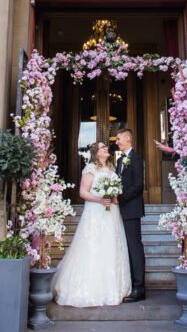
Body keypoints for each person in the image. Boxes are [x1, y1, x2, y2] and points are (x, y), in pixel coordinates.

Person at [51, 140, 132, 307]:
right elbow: (82, 192)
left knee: (110, 246)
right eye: (103, 147)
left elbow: (115, 190)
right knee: (93, 246)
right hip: (96, 213)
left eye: (106, 147)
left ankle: (113, 288)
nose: (106, 149)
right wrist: (100, 200)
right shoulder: (90, 169)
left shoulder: (111, 168)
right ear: (96, 153)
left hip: (111, 214)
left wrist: (114, 197)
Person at [115, 128, 147, 302]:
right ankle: (129, 284)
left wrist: (121, 198)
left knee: (135, 248)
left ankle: (139, 288)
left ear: (128, 138)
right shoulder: (120, 160)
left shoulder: (135, 158)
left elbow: (138, 185)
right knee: (126, 248)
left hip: (131, 209)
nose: (117, 142)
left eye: (119, 139)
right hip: (120, 210)